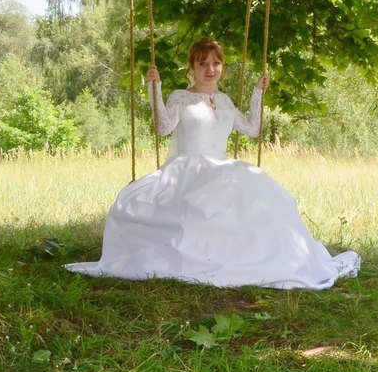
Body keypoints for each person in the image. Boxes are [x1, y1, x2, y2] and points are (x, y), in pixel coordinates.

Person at [66, 37, 360, 287]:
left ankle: (257, 259)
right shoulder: (181, 97)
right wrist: (153, 89)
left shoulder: (226, 102)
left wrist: (258, 92)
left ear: (223, 67)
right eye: (203, 63)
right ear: (192, 67)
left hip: (221, 167)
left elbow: (253, 129)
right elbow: (163, 128)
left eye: (216, 63)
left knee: (260, 192)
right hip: (185, 167)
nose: (210, 69)